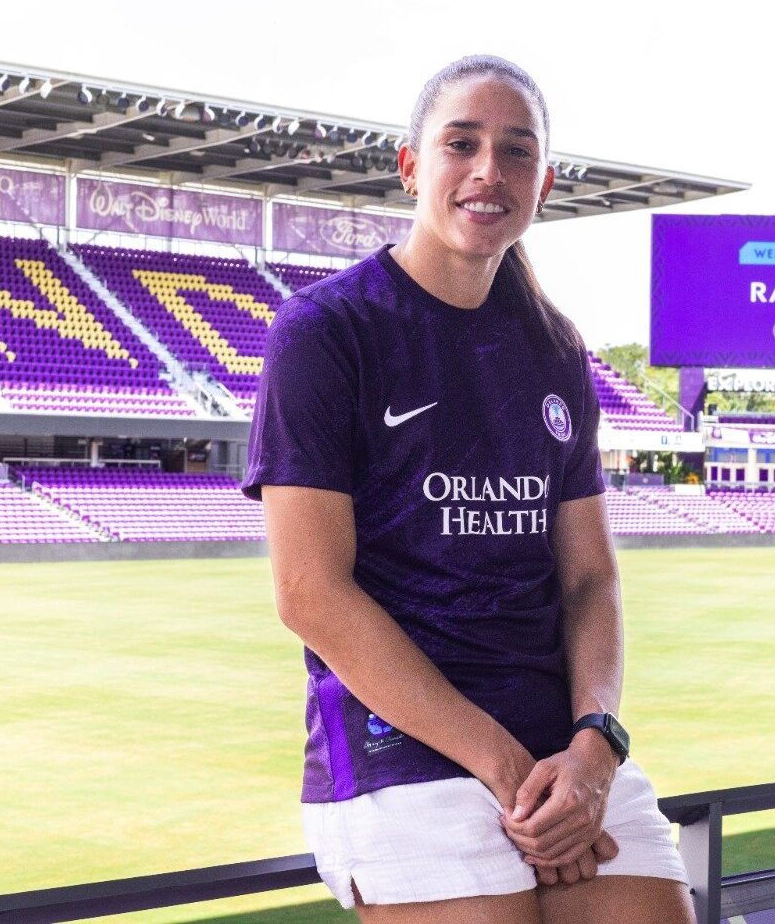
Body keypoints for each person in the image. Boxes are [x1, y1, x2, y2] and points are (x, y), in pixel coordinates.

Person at [241, 55, 695, 924]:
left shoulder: (555, 349)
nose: (490, 170)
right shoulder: (326, 331)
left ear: (544, 183)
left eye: (517, 152)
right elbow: (310, 595)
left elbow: (590, 580)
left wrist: (596, 746)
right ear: (413, 166)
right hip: (399, 756)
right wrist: (505, 768)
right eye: (462, 144)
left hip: (564, 755)